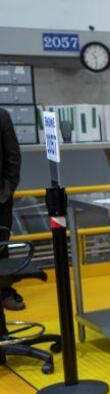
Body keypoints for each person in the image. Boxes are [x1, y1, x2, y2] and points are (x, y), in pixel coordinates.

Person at [0, 108, 22, 311]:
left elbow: (13, 156)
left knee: (1, 247)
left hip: (0, 197)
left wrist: (8, 188)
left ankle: (5, 291)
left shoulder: (2, 115)